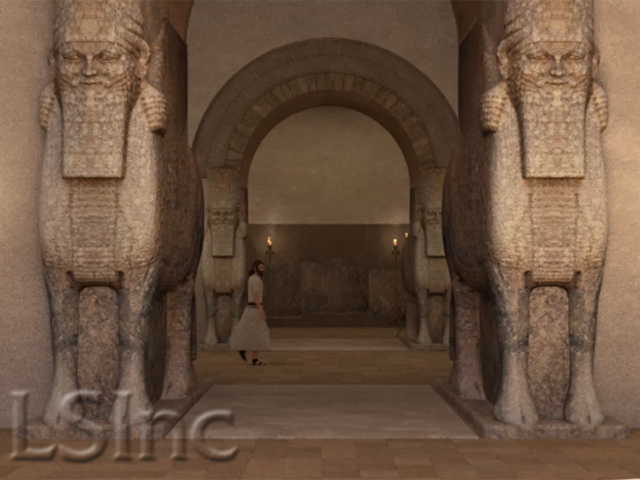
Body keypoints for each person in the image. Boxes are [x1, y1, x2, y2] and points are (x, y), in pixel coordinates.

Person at [228, 259, 271, 365]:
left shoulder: (254, 279)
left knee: (254, 333)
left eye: (262, 267)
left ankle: (253, 357)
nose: (262, 269)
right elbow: (256, 295)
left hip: (252, 309)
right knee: (254, 333)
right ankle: (248, 353)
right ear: (255, 268)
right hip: (254, 309)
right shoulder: (254, 280)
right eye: (260, 267)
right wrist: (260, 309)